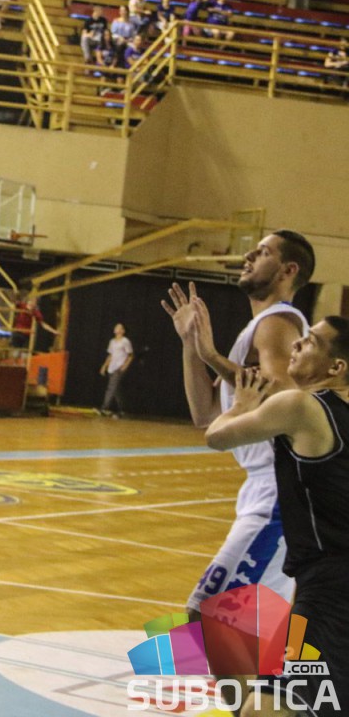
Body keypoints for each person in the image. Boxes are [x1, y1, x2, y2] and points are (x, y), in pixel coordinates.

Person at [161, 230, 314, 620]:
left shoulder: (277, 321)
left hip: (280, 491)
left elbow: (283, 393)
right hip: (268, 489)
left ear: (288, 270)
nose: (248, 256)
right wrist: (191, 344)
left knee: (207, 613)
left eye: (262, 252)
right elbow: (206, 414)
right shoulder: (258, 327)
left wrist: (210, 354)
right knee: (248, 628)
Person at [204, 317, 349, 717]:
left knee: (264, 709)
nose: (297, 344)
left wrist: (240, 405)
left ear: (336, 367)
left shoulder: (301, 406)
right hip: (327, 586)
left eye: (311, 341)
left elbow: (216, 436)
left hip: (329, 591)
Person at [98, 322, 133, 417]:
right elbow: (110, 355)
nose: (117, 329)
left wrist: (125, 366)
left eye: (119, 327)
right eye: (116, 327)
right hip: (112, 367)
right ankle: (123, 409)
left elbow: (130, 355)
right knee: (116, 390)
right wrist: (104, 366)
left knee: (111, 387)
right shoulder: (112, 342)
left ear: (123, 331)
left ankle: (104, 408)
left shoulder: (125, 341)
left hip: (119, 367)